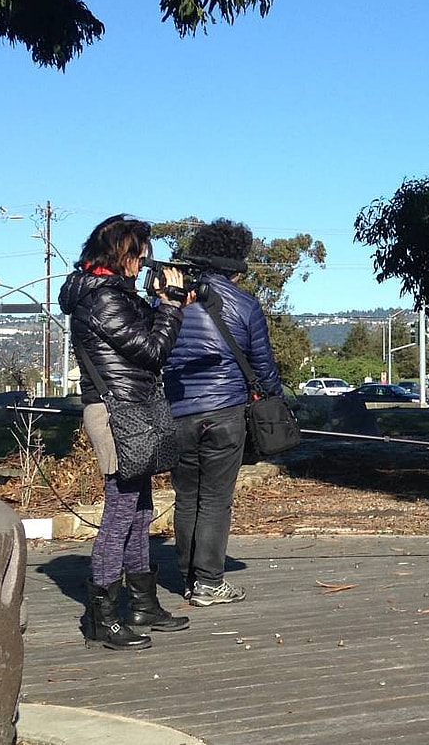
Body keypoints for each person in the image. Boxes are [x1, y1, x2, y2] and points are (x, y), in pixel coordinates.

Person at [59, 214, 192, 650]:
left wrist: (161, 303)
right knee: (119, 513)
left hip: (132, 408)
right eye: (140, 253)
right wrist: (170, 307)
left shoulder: (114, 293)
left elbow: (141, 343)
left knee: (139, 509)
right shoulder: (103, 300)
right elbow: (153, 350)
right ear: (122, 252)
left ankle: (142, 604)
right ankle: (101, 618)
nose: (145, 261)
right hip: (116, 412)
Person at [163, 218, 284, 607]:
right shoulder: (246, 305)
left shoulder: (169, 299)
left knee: (186, 497)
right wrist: (276, 402)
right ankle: (210, 582)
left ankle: (187, 577)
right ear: (236, 266)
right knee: (216, 499)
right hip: (226, 411)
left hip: (178, 410)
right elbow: (262, 366)